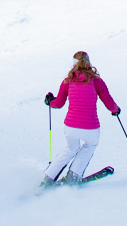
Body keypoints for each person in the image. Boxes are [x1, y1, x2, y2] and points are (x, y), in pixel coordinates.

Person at [44, 50, 119, 183]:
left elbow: (59, 103)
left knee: (70, 149)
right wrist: (115, 110)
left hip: (70, 127)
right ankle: (73, 176)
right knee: (90, 145)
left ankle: (48, 176)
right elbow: (108, 100)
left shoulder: (68, 81)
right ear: (88, 62)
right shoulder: (96, 81)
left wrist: (50, 102)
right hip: (90, 127)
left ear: (74, 64)